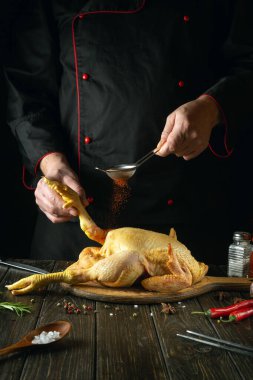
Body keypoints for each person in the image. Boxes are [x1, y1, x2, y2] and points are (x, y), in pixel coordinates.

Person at [4, 0, 253, 263]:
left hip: (185, 222)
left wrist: (211, 107)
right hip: (78, 227)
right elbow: (26, 90)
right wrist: (50, 163)